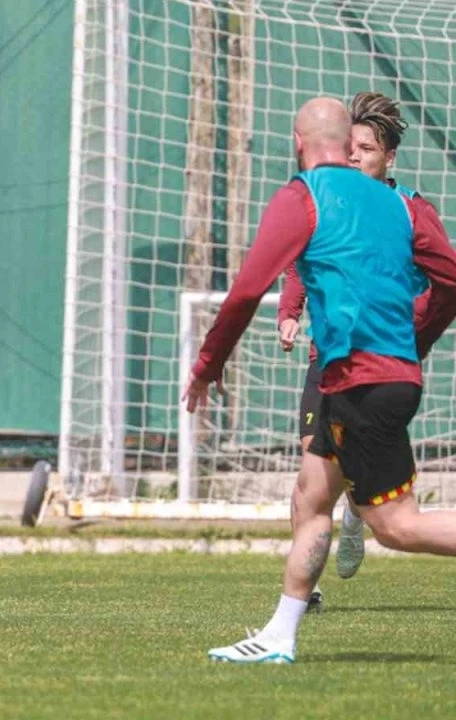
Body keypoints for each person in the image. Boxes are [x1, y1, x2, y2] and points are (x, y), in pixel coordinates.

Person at [186, 97, 456, 664]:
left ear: (298, 141)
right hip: (366, 377)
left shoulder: (303, 195)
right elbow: (449, 280)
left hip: (362, 382)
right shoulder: (400, 205)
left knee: (397, 527)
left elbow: (245, 291)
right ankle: (279, 635)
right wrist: (417, 335)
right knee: (311, 497)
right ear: (346, 143)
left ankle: (282, 632)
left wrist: (209, 363)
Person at [275, 91, 422, 602]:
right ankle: (303, 594)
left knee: (388, 516)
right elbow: (302, 260)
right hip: (329, 361)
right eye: (350, 147)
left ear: (390, 158)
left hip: (379, 366)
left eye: (367, 149)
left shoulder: (406, 210)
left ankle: (357, 515)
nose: (355, 157)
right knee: (308, 480)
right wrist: (289, 312)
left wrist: (413, 326)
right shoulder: (329, 200)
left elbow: (437, 278)